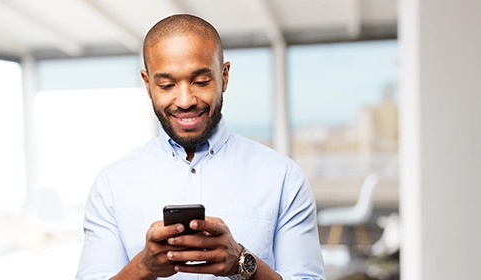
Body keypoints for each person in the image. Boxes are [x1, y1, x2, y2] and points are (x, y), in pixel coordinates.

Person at [76, 14, 325, 280]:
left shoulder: (283, 178)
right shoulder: (111, 185)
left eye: (201, 82)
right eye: (167, 85)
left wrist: (241, 263)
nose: (184, 101)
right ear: (148, 85)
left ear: (224, 76)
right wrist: (143, 269)